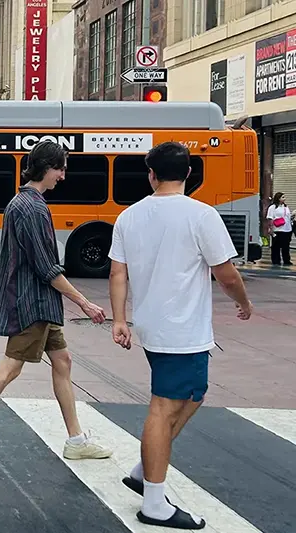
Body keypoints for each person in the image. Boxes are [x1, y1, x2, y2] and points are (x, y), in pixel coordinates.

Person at [0, 140, 113, 466]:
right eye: (61, 168)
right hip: (32, 305)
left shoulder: (20, 203)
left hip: (38, 305)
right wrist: (85, 303)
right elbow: (46, 268)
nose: (63, 176)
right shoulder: (32, 208)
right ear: (47, 167)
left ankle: (76, 439)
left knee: (62, 362)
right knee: (9, 369)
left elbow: (9, 260)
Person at [108, 141, 253, 530]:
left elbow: (117, 273)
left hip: (153, 324)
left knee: (193, 394)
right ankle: (153, 503)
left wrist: (120, 319)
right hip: (181, 327)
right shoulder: (202, 215)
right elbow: (226, 274)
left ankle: (144, 469)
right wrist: (244, 302)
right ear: (190, 173)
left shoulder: (129, 216)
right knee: (164, 406)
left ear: (151, 174)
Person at [266, 192, 292, 266]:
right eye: (282, 197)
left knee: (286, 246)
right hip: (277, 229)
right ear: (278, 198)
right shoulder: (272, 207)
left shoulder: (286, 207)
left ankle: (286, 260)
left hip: (287, 229)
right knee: (276, 246)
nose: (284, 199)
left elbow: (288, 217)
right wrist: (270, 228)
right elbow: (270, 218)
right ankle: (276, 260)